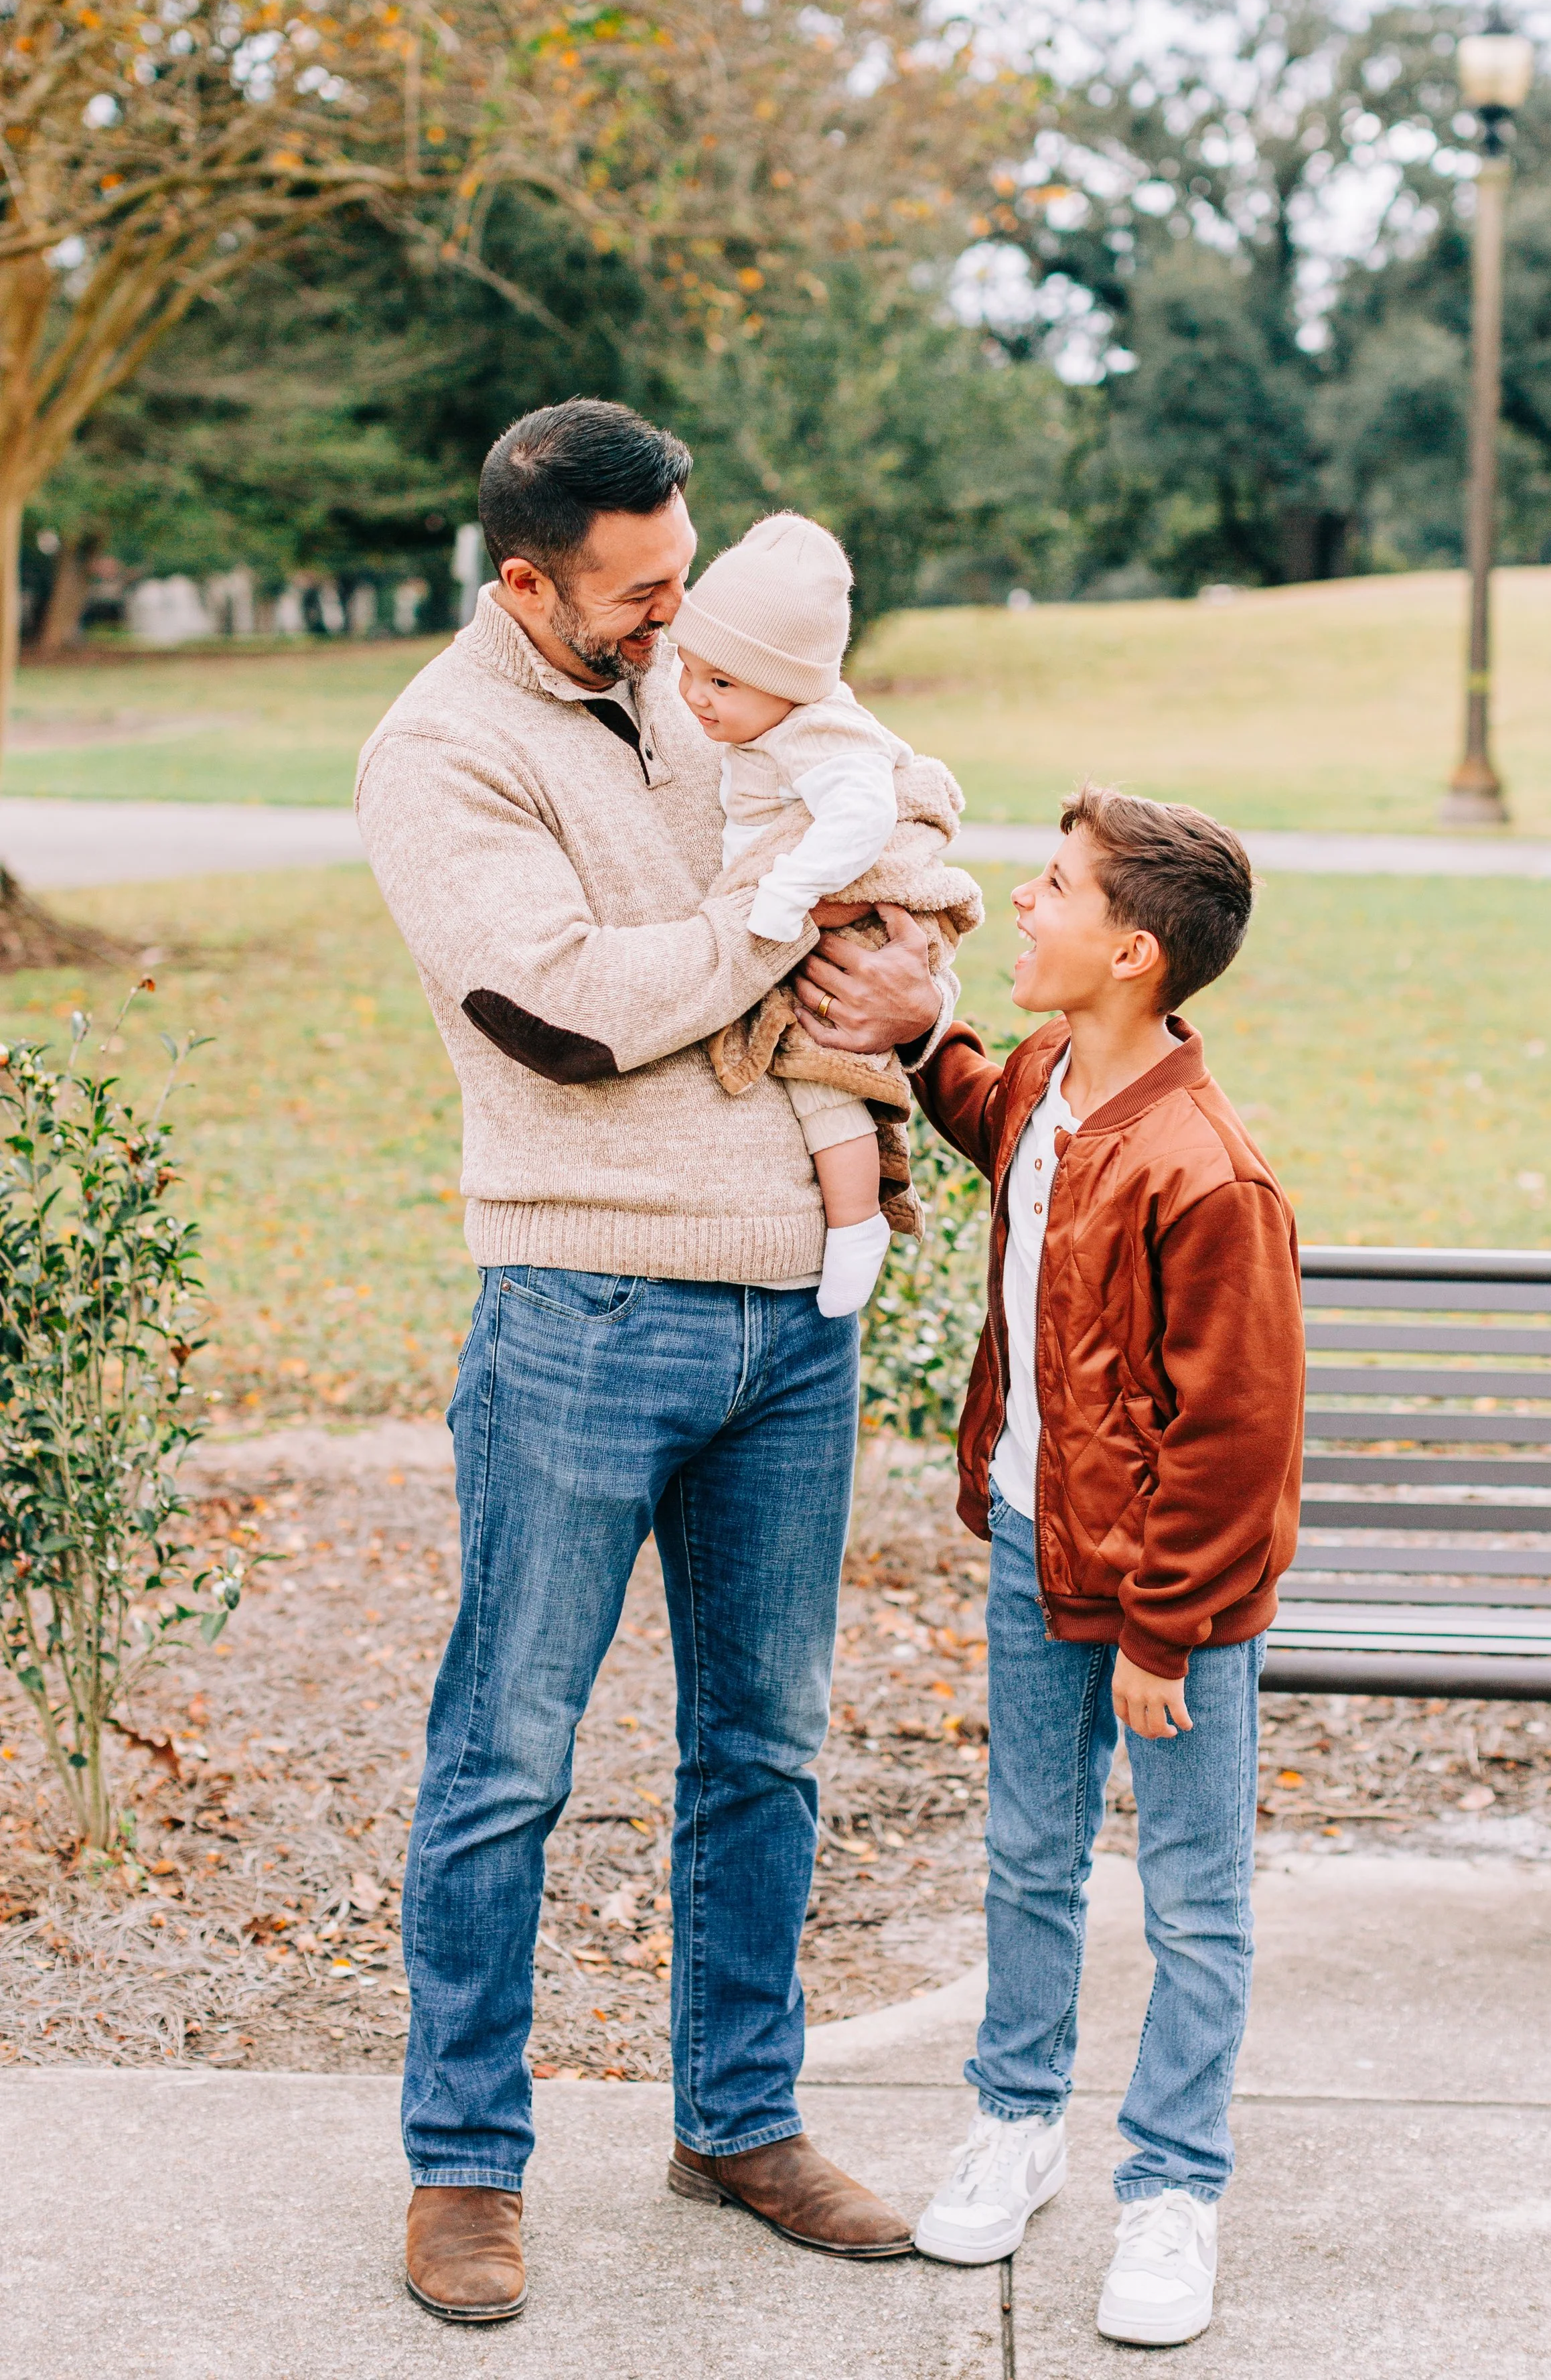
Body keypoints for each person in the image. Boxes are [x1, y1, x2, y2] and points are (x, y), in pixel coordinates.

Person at [354, 399, 950, 2324]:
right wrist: (780, 928)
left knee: (765, 1745)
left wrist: (907, 974)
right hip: (582, 1311)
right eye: (636, 594)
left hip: (792, 1315)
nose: (675, 624)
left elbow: (878, 805)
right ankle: (464, 2160)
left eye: (683, 576)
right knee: (506, 1754)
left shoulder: (708, 669)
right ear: (527, 581)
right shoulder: (440, 751)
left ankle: (739, 2118)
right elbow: (568, 1011)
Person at [897, 788, 1306, 2348]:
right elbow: (986, 1116)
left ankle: (1172, 2187)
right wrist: (914, 1035)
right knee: (1029, 1854)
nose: (1020, 897)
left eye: (1053, 885)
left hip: (1169, 1604)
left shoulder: (1207, 1173)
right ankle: (1015, 2122)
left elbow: (1236, 1435)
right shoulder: (1048, 1080)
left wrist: (1164, 1630)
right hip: (1032, 1547)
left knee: (1192, 1899)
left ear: (1132, 952)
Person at [672, 509, 979, 1319]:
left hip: (848, 921)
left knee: (822, 1079)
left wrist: (788, 892)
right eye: (687, 669)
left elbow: (863, 818)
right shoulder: (769, 718)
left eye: (720, 683)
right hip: (807, 913)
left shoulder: (818, 733)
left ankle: (856, 1224)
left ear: (791, 682)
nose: (693, 696)